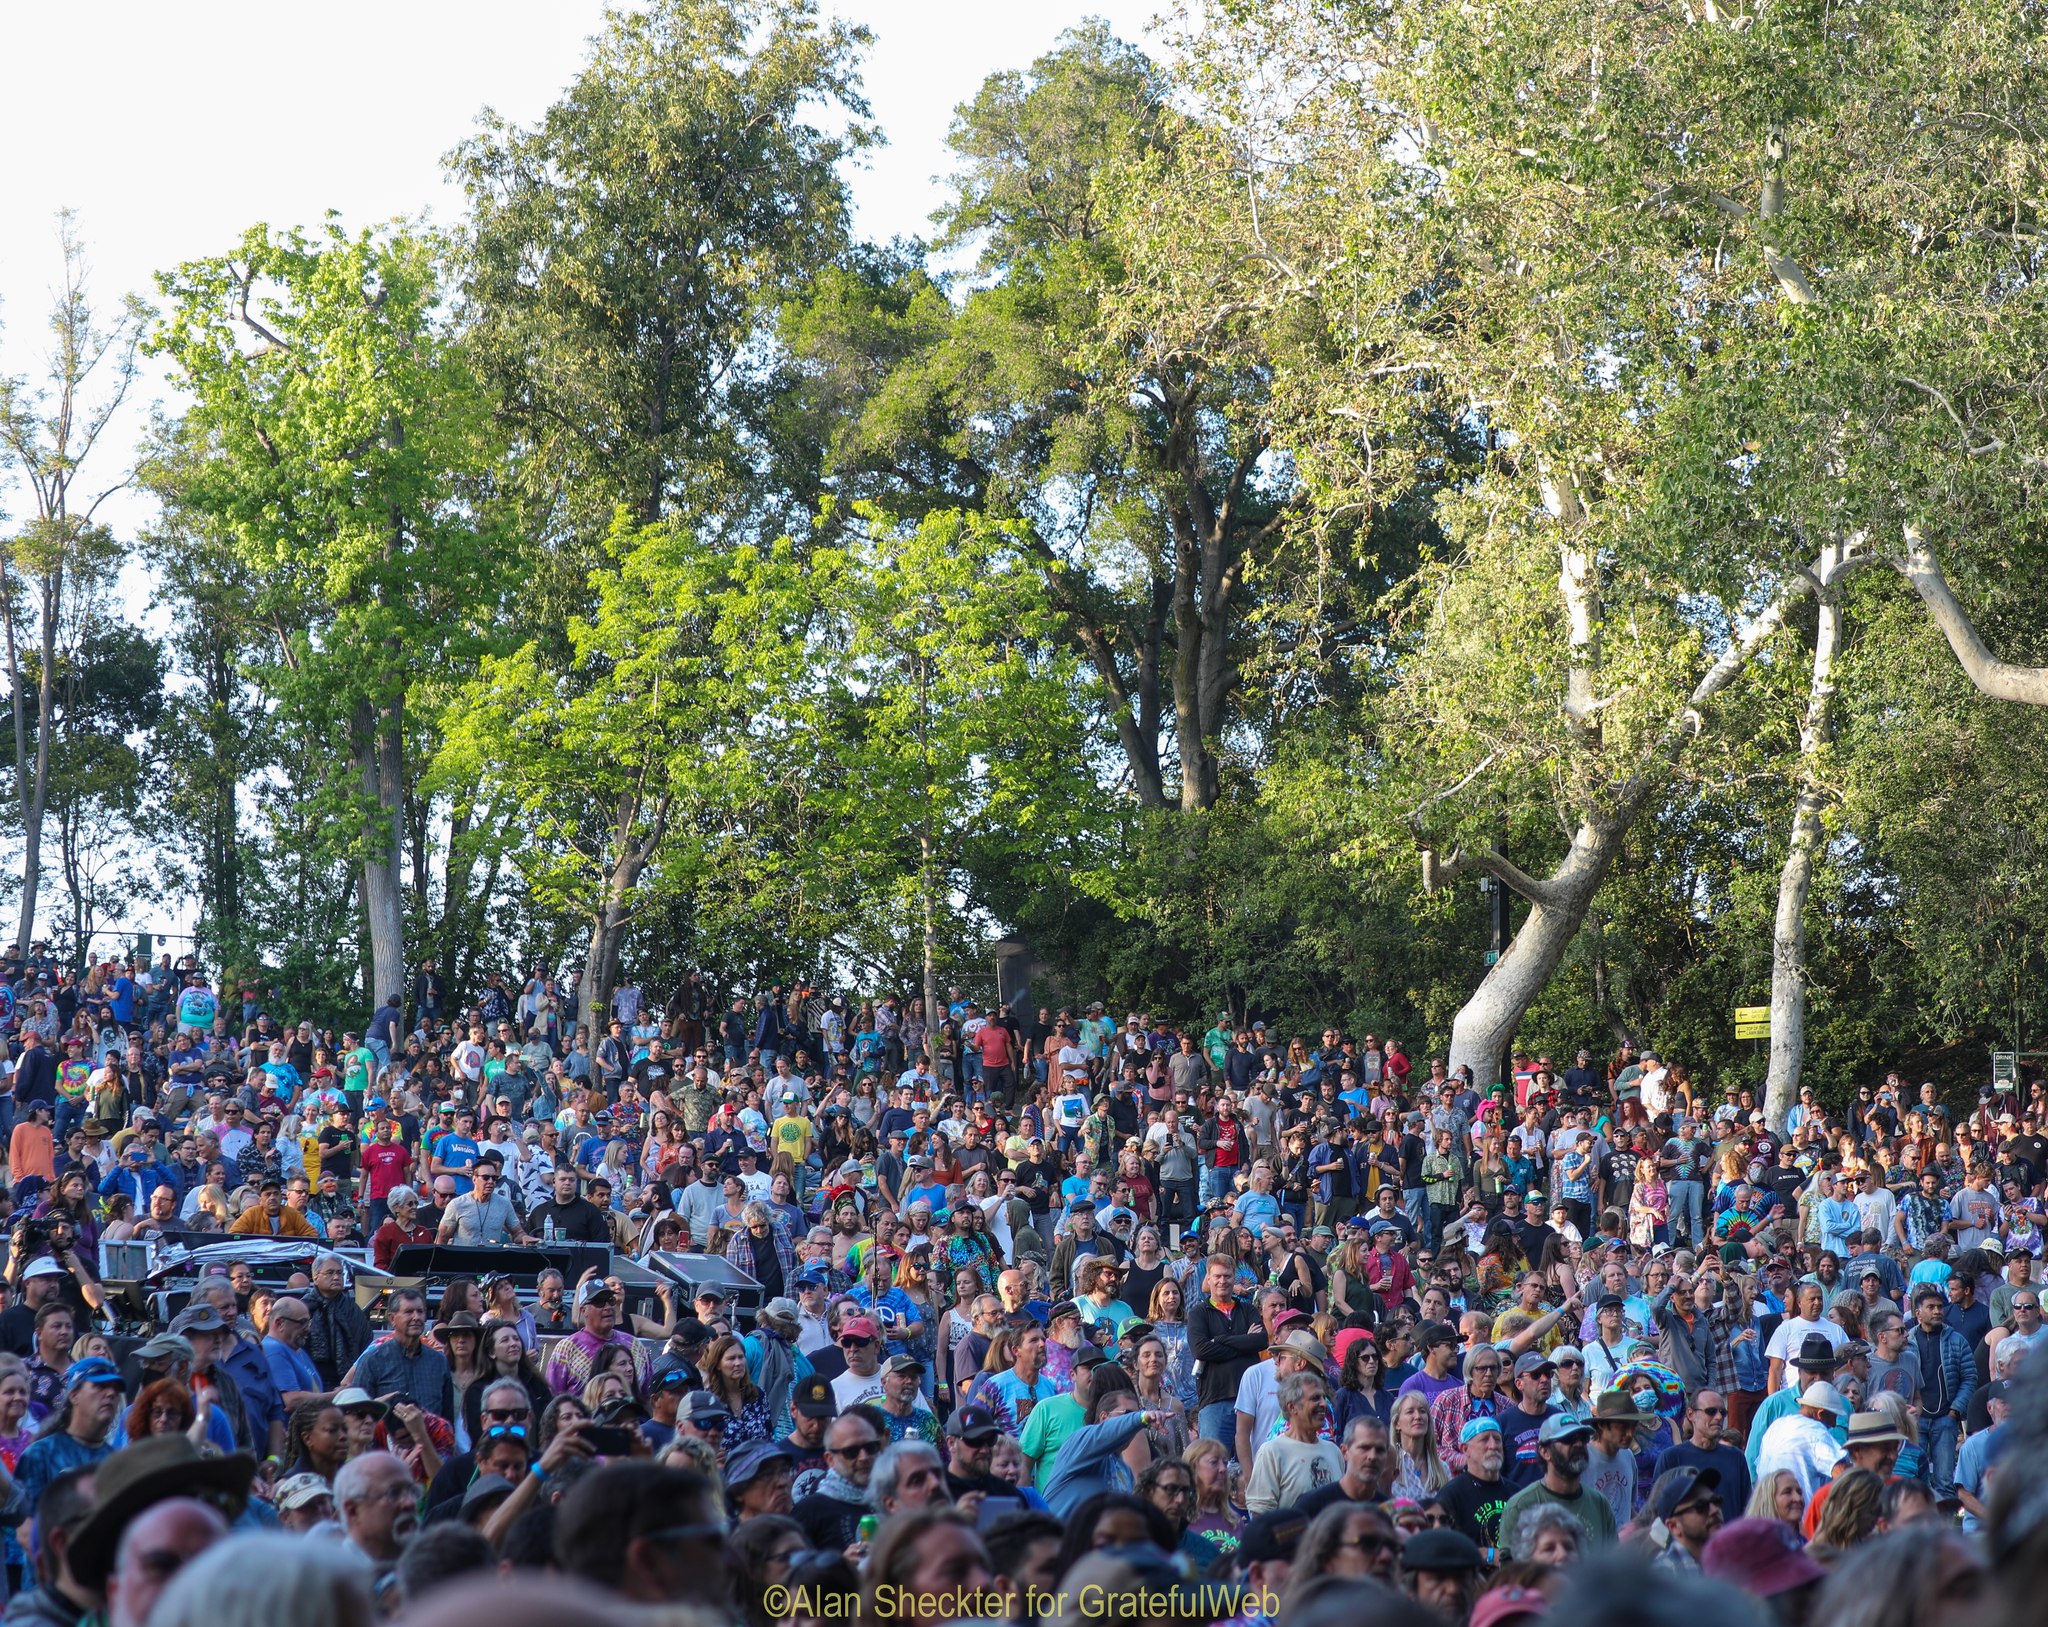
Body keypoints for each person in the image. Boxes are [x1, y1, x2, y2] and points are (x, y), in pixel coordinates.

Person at [1499, 1414, 1616, 1558]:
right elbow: (1511, 1572)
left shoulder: (1600, 1503)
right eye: (1569, 1439)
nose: (1579, 1444)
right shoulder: (1521, 1506)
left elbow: (1613, 1561)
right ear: (1545, 1452)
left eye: (1583, 1439)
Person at [1245, 1370, 1344, 1515]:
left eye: (1323, 1397)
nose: (1324, 1403)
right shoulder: (1271, 1452)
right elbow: (1261, 1516)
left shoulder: (1333, 1451)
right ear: (1292, 1407)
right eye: (1315, 1398)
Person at [1756, 1380, 1849, 1501]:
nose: (1834, 1424)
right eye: (1834, 1417)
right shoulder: (1815, 1431)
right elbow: (1843, 1473)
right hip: (1799, 1514)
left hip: (1767, 1512)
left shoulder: (1776, 1427)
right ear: (1820, 1413)